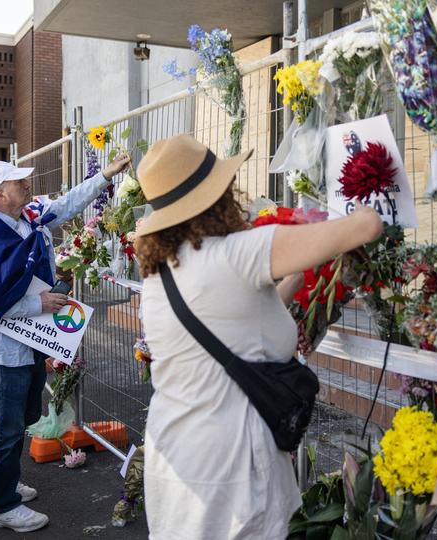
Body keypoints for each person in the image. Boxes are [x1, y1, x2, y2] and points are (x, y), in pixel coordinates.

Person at [132, 134, 382, 539]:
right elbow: (365, 227)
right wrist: (357, 199)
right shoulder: (237, 253)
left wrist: (294, 280)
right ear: (217, 197)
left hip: (177, 454)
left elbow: (236, 326)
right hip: (231, 466)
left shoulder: (164, 272)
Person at [0, 155, 130, 533]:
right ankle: (3, 505)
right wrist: (38, 304)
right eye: (19, 183)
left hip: (27, 341)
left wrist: (104, 176)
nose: (28, 186)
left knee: (22, 416)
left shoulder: (24, 216)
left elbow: (65, 205)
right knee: (8, 424)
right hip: (3, 348)